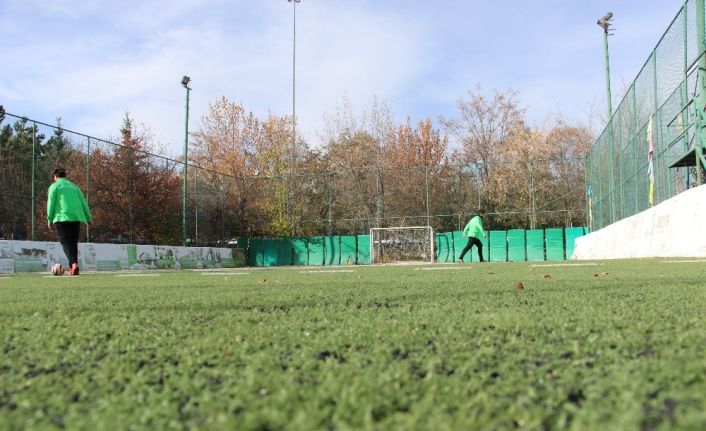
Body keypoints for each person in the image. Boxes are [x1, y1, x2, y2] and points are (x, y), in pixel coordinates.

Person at [47, 167, 92, 275]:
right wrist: (88, 217)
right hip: (76, 217)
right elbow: (83, 202)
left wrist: (49, 218)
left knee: (65, 242)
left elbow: (51, 203)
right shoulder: (74, 186)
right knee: (73, 243)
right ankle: (73, 266)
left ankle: (73, 264)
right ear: (65, 176)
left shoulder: (54, 186)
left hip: (62, 217)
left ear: (55, 177)